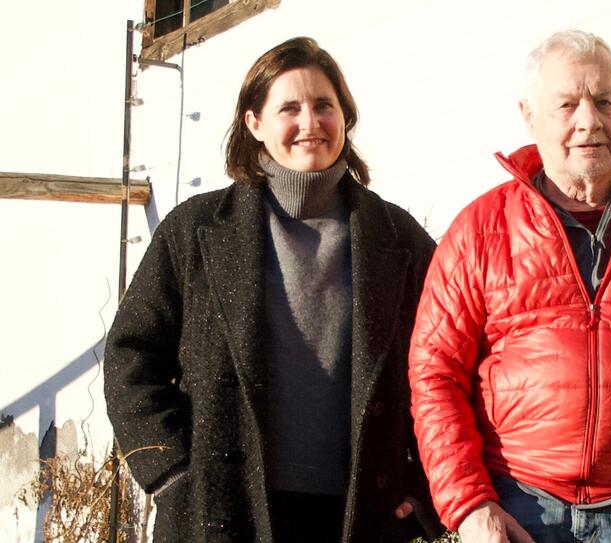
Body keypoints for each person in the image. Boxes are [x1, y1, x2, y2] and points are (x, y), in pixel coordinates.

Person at [408, 29, 611, 543]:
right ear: (529, 114)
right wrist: (470, 506)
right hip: (516, 508)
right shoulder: (480, 229)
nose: (589, 120)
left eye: (604, 100)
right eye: (567, 104)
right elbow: (434, 374)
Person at [104, 36, 439, 542]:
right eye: (290, 108)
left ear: (345, 119)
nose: (310, 123)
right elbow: (131, 357)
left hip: (362, 515)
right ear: (254, 123)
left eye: (325, 106)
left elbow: (455, 365)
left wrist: (425, 487)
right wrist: (171, 473)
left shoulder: (400, 239)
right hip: (220, 511)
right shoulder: (194, 231)